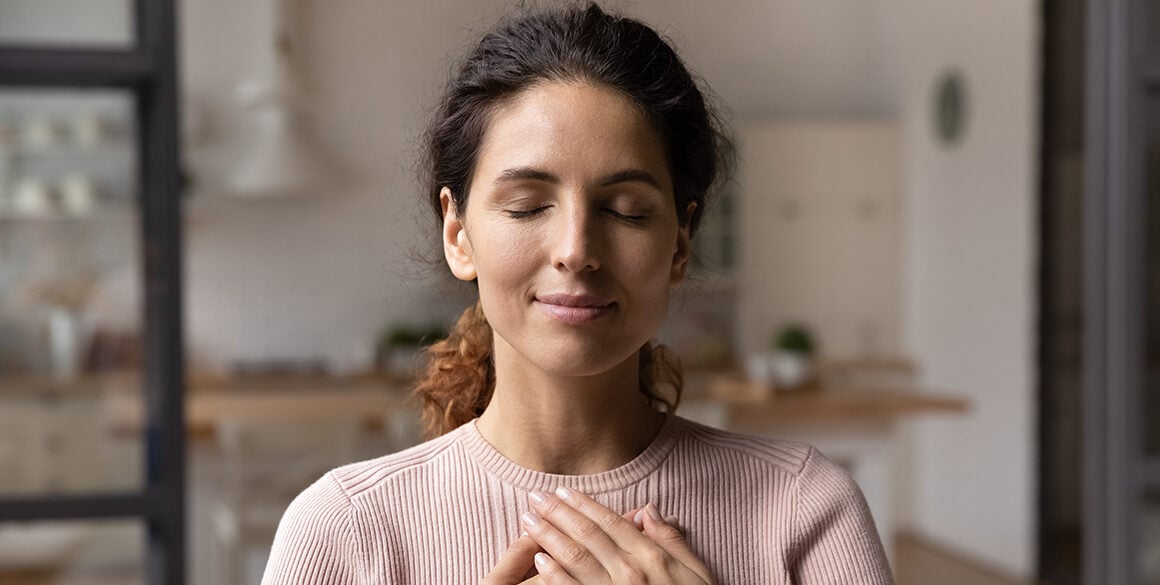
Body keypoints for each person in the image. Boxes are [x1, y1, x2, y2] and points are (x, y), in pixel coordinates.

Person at [261, 3, 894, 584]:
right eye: (529, 205)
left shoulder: (805, 511)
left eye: (626, 210)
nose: (576, 249)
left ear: (679, 244)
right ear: (459, 234)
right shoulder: (344, 532)